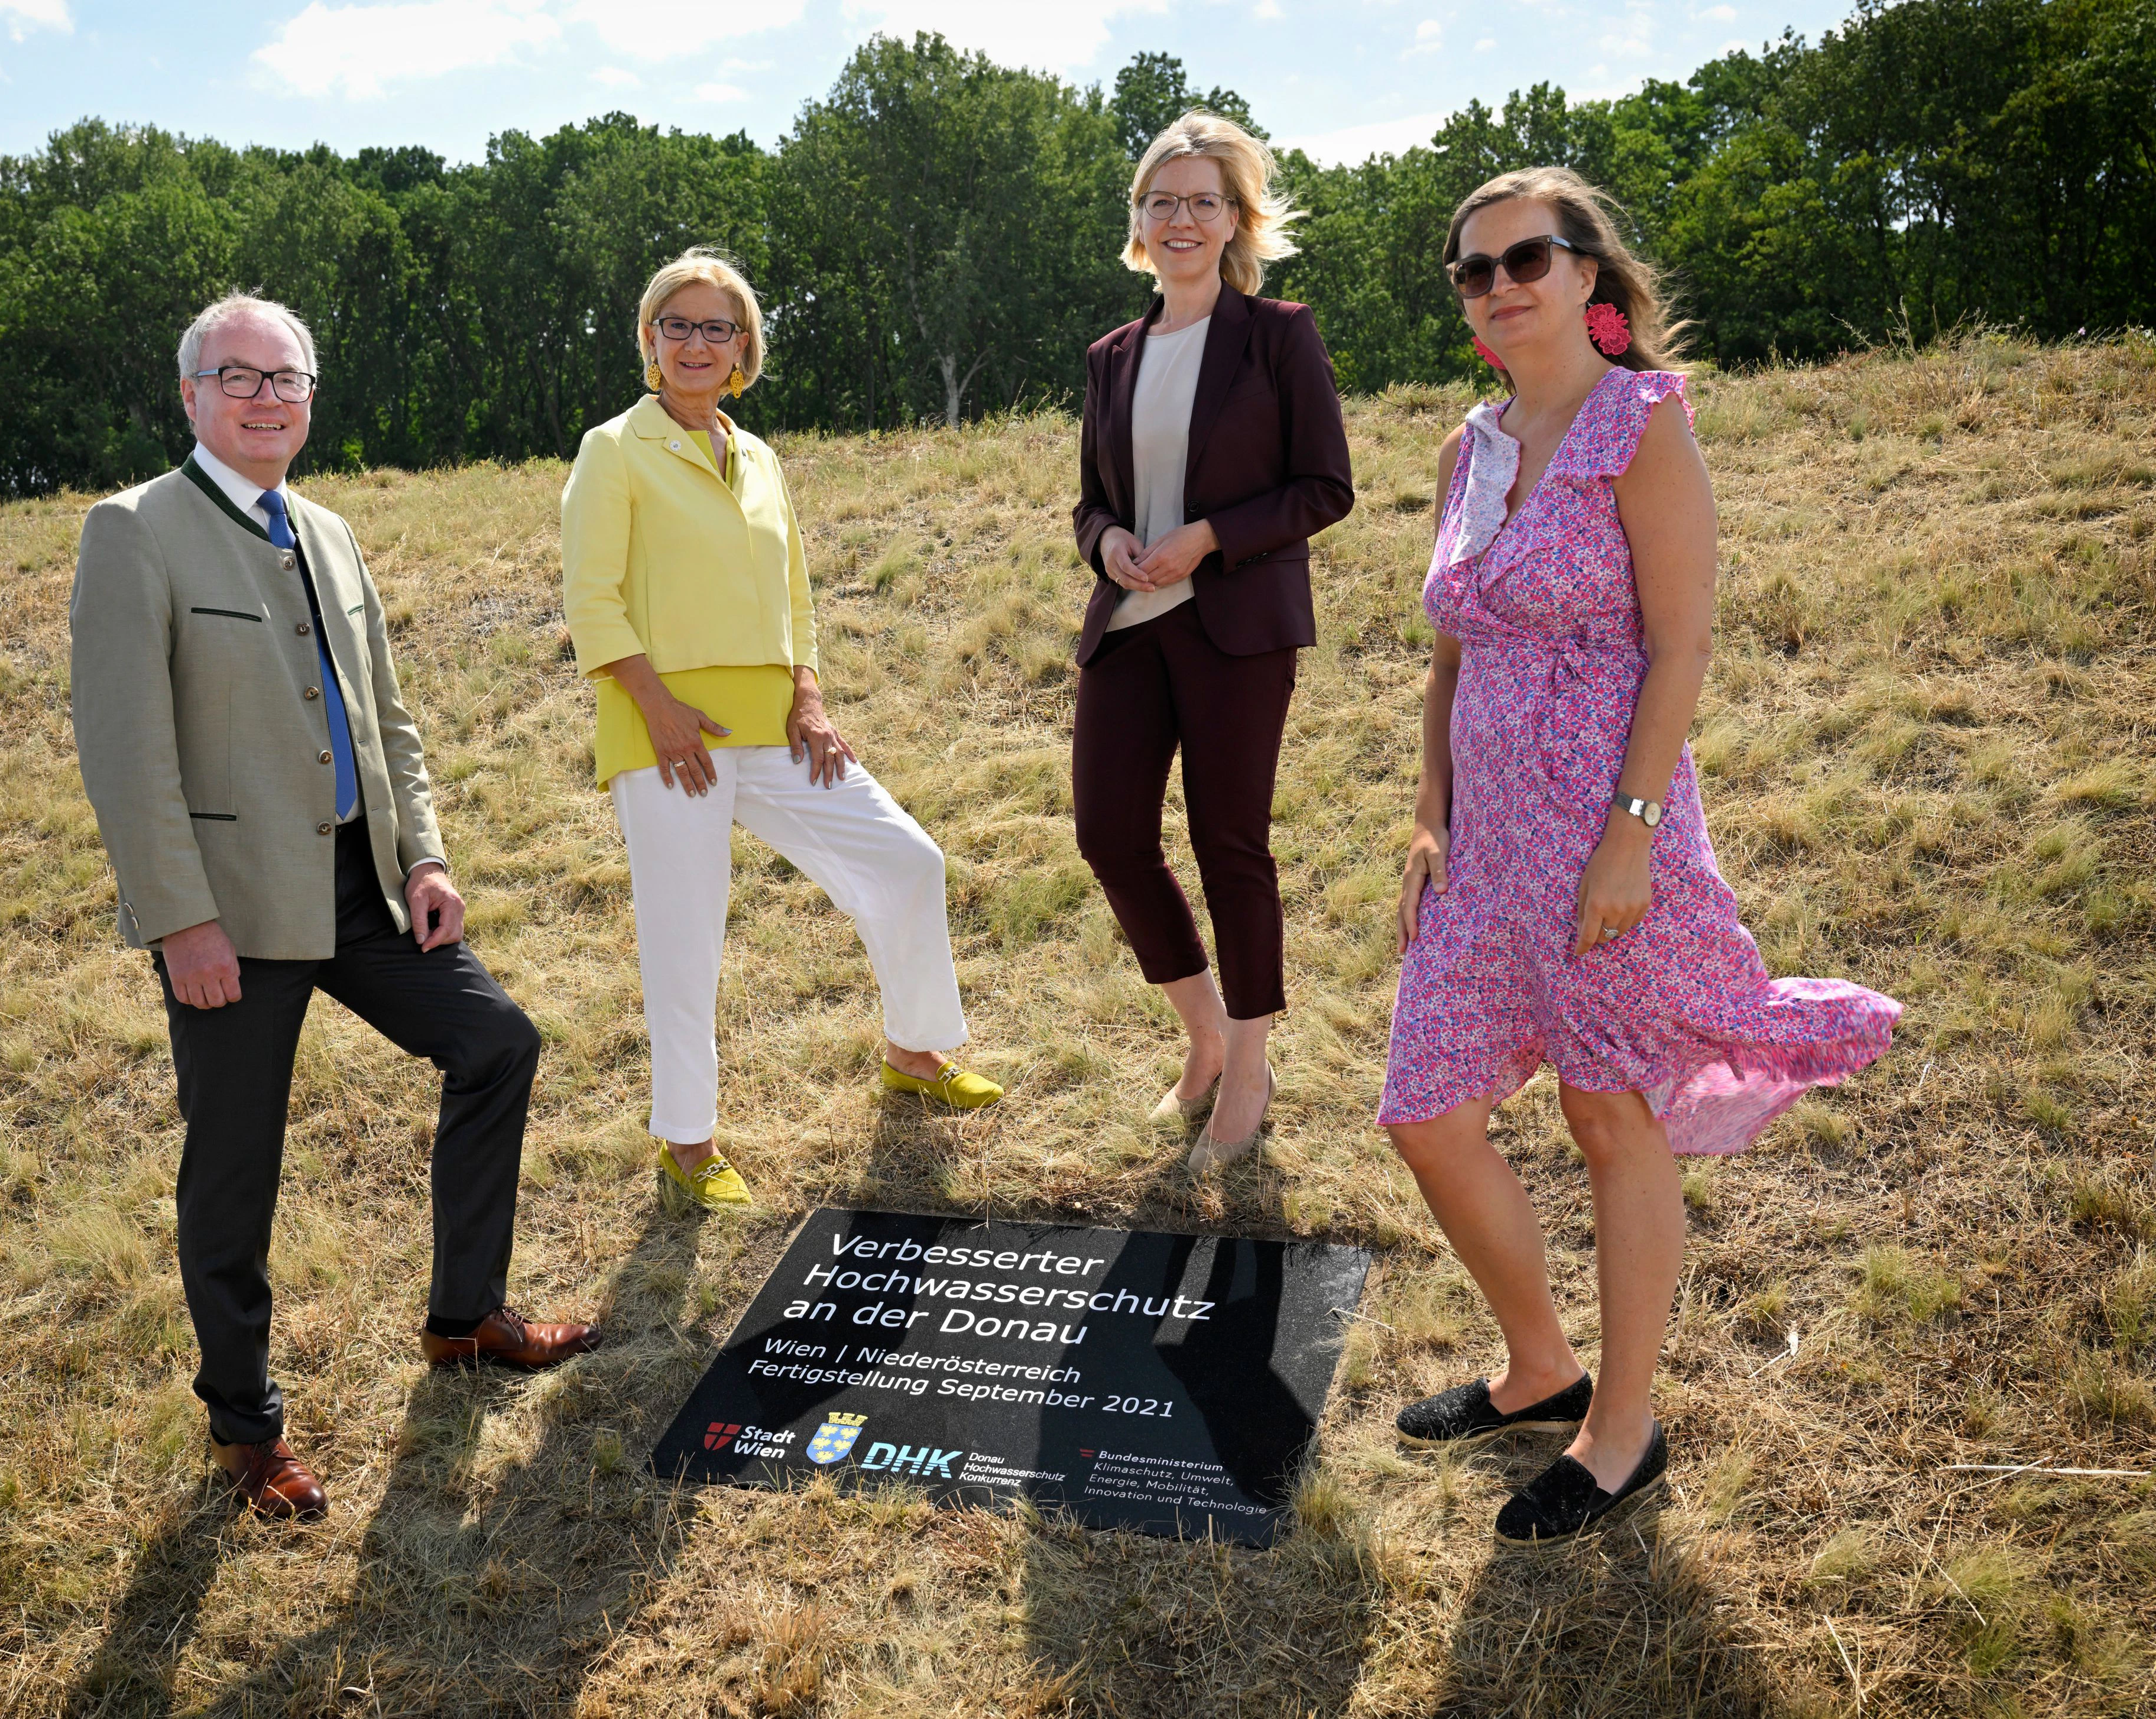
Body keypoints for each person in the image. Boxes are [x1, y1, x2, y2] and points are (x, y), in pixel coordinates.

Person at [1380, 168, 1901, 1546]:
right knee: (1426, 1112)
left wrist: (1629, 837)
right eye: (1471, 269)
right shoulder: (1468, 445)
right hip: (1479, 849)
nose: (1496, 285)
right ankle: (1535, 1365)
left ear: (1587, 274)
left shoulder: (1640, 427)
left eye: (1524, 259)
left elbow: (1679, 648)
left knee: (1606, 1116)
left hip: (1606, 842)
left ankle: (1619, 1430)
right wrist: (1426, 809)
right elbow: (1449, 648)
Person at [70, 294, 599, 1522]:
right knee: (236, 1167)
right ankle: (245, 1426)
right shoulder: (134, 530)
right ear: (191, 393)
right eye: (240, 376)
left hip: (363, 887)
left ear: (311, 397)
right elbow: (125, 749)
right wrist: (178, 920)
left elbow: (388, 718)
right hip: (233, 915)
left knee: (495, 1041)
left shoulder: (331, 529)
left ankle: (466, 1319)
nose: (267, 398)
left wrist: (425, 857)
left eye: (288, 378)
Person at [561, 249, 1002, 1214]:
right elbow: (591, 599)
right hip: (665, 733)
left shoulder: (759, 456)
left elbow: (795, 593)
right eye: (677, 325)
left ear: (744, 347)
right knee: (686, 943)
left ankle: (914, 1054)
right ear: (650, 338)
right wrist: (657, 705)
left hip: (775, 724)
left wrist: (809, 695)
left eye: (717, 327)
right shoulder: (614, 449)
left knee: (907, 861)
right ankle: (688, 1145)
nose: (696, 343)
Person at [1071, 112, 1354, 1173]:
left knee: (1230, 847)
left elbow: (1326, 487)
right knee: (1109, 835)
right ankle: (1201, 1039)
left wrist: (1210, 538)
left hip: (1236, 626)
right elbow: (1091, 503)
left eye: (1201, 201)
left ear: (1236, 219)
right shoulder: (1112, 357)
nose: (1179, 218)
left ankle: (1248, 1066)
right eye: (1161, 201)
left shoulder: (1278, 333)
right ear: (1139, 225)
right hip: (1132, 625)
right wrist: (1106, 546)